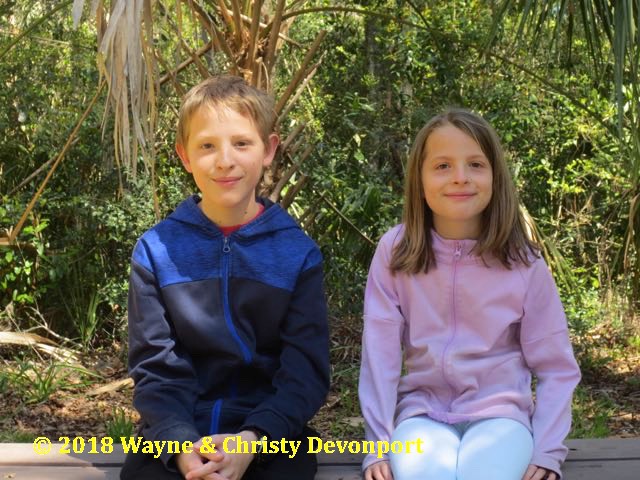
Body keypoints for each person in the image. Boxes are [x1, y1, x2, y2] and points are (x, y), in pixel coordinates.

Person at [121, 75, 330, 480]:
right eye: (206, 146)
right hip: (175, 431)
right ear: (184, 156)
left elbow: (304, 371)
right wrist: (180, 446)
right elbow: (155, 367)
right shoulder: (156, 251)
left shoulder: (297, 254)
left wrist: (253, 438)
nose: (224, 160)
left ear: (268, 150)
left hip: (271, 435)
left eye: (241, 143)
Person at [358, 108, 581, 480]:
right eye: (442, 166)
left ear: (495, 175)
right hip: (422, 417)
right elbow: (379, 357)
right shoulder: (395, 252)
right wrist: (378, 443)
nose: (460, 178)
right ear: (420, 179)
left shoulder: (524, 262)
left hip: (501, 420)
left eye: (475, 164)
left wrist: (547, 449)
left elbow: (557, 368)